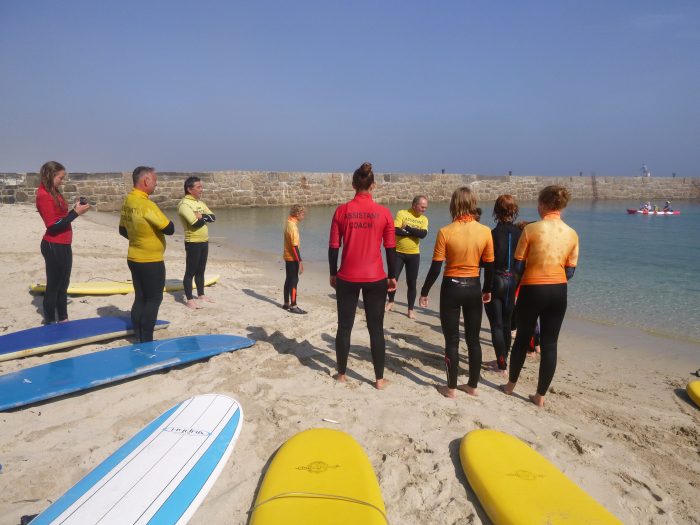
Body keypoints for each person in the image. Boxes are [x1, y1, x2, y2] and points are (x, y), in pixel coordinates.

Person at [502, 185, 579, 407]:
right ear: (562, 207)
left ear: (543, 205)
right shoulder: (572, 233)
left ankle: (510, 386)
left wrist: (514, 292)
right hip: (558, 291)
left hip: (532, 289)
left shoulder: (531, 230)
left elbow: (517, 267)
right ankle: (540, 396)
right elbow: (570, 271)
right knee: (550, 344)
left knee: (522, 340)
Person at [419, 187, 494, 398]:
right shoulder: (485, 231)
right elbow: (490, 266)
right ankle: (472, 386)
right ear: (473, 203)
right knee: (474, 339)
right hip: (473, 287)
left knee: (452, 340)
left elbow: (435, 268)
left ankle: (451, 388)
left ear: (454, 204)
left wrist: (424, 291)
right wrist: (487, 289)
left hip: (451, 287)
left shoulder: (445, 231)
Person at [329, 162, 396, 390]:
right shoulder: (384, 213)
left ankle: (341, 375)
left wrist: (332, 273)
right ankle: (378, 380)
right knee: (376, 329)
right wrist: (393, 276)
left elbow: (333, 247)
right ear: (373, 185)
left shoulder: (341, 211)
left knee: (344, 326)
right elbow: (390, 248)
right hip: (375, 276)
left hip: (347, 275)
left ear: (353, 184)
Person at [119, 166, 174, 343]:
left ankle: (138, 334)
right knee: (153, 300)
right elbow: (169, 228)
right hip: (151, 260)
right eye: (155, 181)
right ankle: (147, 340)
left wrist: (138, 239)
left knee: (140, 297)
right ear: (146, 181)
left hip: (134, 257)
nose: (156, 185)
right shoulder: (146, 204)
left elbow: (122, 229)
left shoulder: (129, 200)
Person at [35, 161, 90, 324]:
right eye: (60, 177)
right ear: (51, 175)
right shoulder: (43, 195)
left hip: (64, 244)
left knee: (63, 284)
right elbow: (52, 227)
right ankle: (50, 320)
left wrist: (74, 208)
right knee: (54, 285)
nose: (62, 180)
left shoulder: (53, 191)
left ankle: (63, 317)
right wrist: (75, 213)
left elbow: (60, 217)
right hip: (53, 244)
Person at [484, 195, 521, 374]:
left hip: (496, 279)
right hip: (512, 280)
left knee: (496, 325)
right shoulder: (520, 233)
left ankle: (501, 365)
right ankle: (503, 360)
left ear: (496, 211)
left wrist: (485, 287)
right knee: (507, 324)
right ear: (514, 211)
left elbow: (487, 262)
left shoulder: (492, 233)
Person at [385, 195, 428, 319]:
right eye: (422, 207)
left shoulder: (424, 219)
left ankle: (410, 309)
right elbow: (395, 230)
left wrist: (407, 228)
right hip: (398, 253)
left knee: (412, 283)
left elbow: (423, 234)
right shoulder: (402, 213)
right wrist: (414, 233)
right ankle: (390, 302)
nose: (424, 209)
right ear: (414, 205)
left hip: (414, 254)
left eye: (426, 207)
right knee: (393, 279)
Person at [177, 176, 216, 309]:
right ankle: (189, 299)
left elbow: (213, 217)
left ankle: (201, 294)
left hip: (204, 241)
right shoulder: (184, 205)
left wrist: (202, 216)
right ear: (189, 189)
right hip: (192, 242)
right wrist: (203, 218)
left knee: (201, 270)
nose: (202, 189)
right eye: (198, 187)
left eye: (201, 187)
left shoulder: (200, 203)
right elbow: (194, 223)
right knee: (190, 272)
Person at [282, 204, 307, 314]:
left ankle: (286, 303)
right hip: (292, 257)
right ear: (297, 214)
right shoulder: (292, 226)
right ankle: (293, 305)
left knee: (288, 279)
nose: (304, 216)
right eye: (303, 214)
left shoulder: (288, 222)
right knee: (294, 280)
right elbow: (294, 246)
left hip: (288, 256)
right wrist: (300, 261)